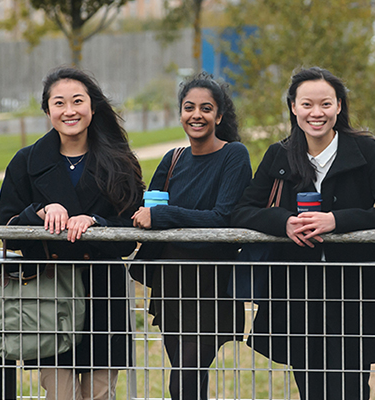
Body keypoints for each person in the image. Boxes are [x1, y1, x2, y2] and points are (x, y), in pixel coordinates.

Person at [231, 67, 375, 400]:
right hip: (298, 291)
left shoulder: (365, 150)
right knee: (311, 387)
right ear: (293, 108)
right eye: (307, 104)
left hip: (356, 290)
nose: (317, 113)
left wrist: (337, 221)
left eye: (326, 104)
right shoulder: (279, 154)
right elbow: (243, 210)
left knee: (353, 388)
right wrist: (283, 223)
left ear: (339, 106)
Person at [0, 67, 144, 400]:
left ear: (92, 108)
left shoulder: (120, 162)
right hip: (49, 297)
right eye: (59, 103)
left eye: (78, 101)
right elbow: (8, 232)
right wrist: (41, 213)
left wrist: (95, 222)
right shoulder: (26, 162)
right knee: (59, 395)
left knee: (100, 394)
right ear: (48, 111)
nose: (69, 111)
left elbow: (133, 230)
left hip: (104, 295)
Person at [131, 72, 250, 400]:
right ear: (180, 113)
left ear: (219, 116)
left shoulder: (234, 156)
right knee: (187, 382)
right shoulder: (172, 160)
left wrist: (164, 217)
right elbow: (147, 209)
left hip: (211, 280)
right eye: (189, 107)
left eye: (206, 108)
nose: (196, 115)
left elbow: (222, 219)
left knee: (183, 379)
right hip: (173, 280)